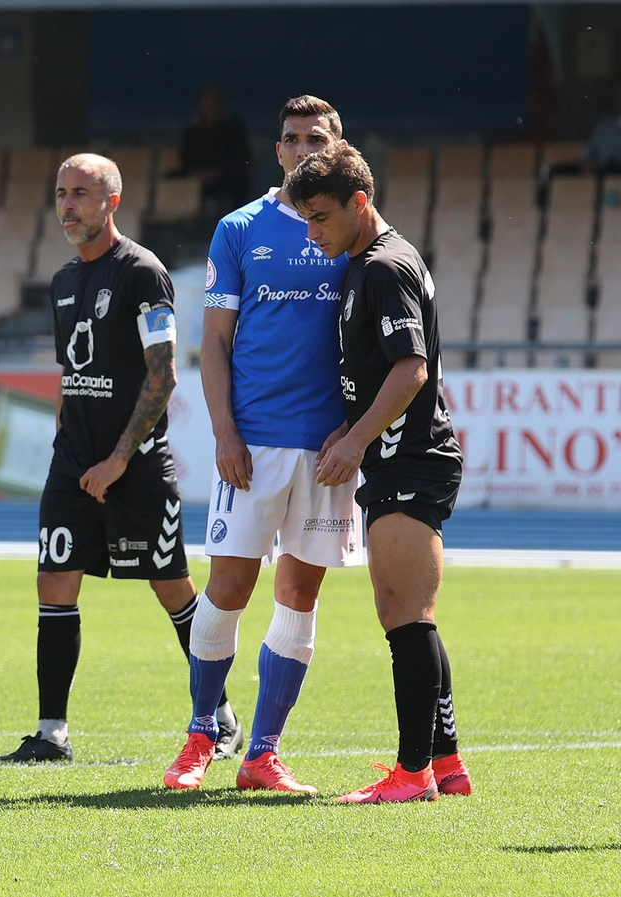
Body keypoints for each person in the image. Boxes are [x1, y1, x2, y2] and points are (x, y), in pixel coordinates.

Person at [0, 154, 237, 764]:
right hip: (73, 465)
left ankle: (221, 718)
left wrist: (120, 459)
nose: (68, 205)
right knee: (54, 581)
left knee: (171, 586)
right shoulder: (62, 281)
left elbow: (163, 374)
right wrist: (68, 450)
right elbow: (71, 376)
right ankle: (51, 734)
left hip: (137, 464)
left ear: (112, 201)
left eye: (81, 193)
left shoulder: (143, 273)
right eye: (61, 194)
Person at [163, 95, 358, 795]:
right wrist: (224, 432)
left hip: (328, 448)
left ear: (338, 147)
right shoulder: (240, 228)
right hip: (254, 443)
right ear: (276, 150)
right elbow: (214, 342)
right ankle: (202, 733)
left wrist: (356, 427)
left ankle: (264, 753)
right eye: (292, 138)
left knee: (300, 593)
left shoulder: (354, 231)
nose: (303, 147)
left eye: (316, 138)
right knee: (229, 588)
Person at [284, 144, 472, 803]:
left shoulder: (384, 266)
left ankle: (412, 772)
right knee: (409, 612)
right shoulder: (364, 263)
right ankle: (446, 764)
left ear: (359, 203)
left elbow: (410, 368)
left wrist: (360, 437)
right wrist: (352, 429)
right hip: (397, 457)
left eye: (321, 217)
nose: (313, 233)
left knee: (403, 613)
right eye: (305, 219)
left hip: (410, 458)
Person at [178, 87, 253, 217]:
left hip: (227, 179)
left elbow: (240, 158)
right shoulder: (193, 130)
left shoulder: (233, 129)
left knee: (237, 185)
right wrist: (198, 173)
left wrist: (217, 173)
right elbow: (186, 158)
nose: (210, 107)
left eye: (214, 103)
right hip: (197, 179)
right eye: (207, 103)